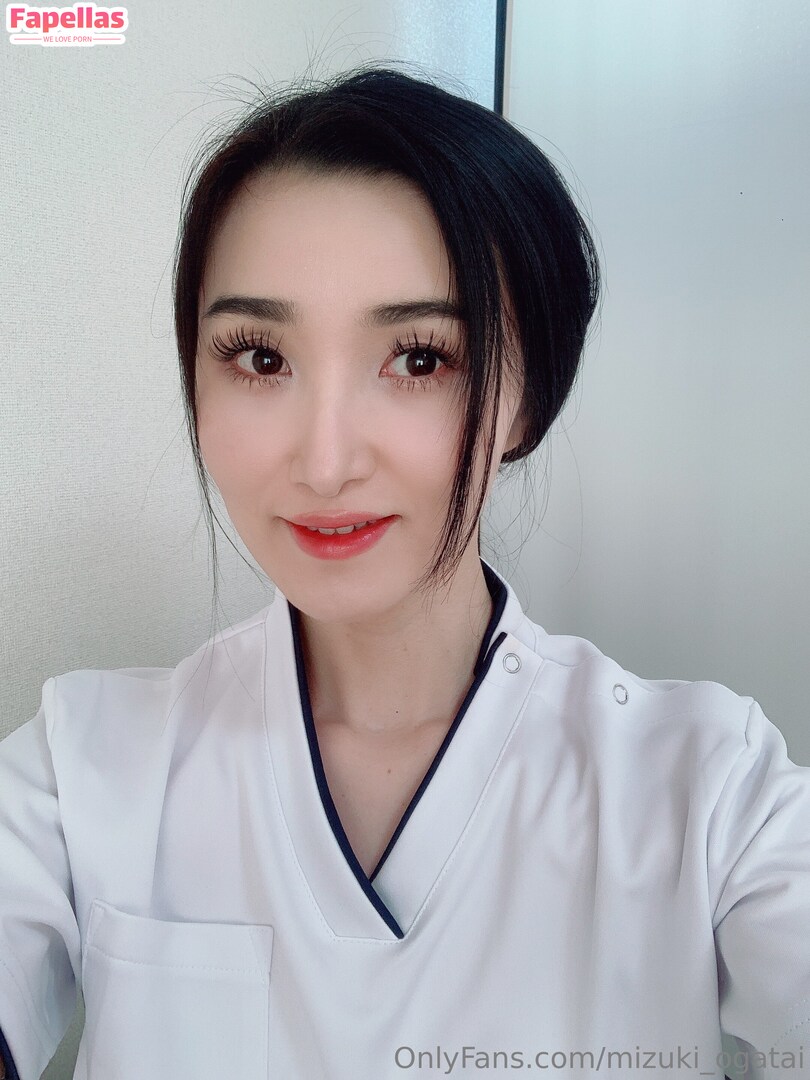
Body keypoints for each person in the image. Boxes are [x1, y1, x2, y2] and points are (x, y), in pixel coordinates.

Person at [1, 62, 808, 1080]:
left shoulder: (710, 792)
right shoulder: (81, 771)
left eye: (420, 359)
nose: (325, 460)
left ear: (528, 399)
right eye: (259, 357)